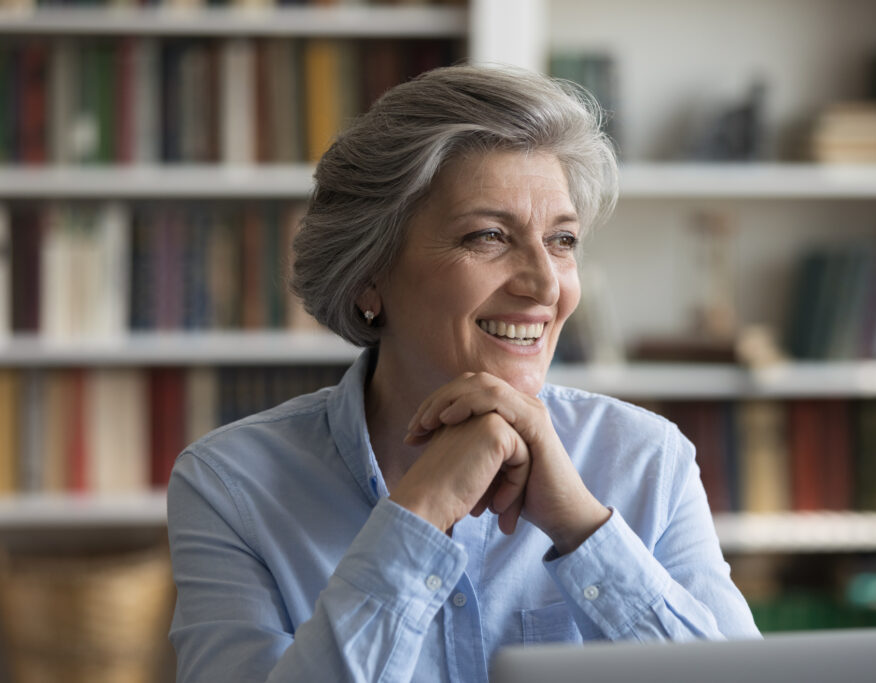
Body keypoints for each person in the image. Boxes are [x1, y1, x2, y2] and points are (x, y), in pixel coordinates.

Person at [167, 63, 760, 682]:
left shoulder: (645, 462)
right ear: (370, 272)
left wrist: (583, 531)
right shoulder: (231, 485)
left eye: (561, 241)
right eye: (488, 237)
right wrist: (420, 512)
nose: (543, 285)